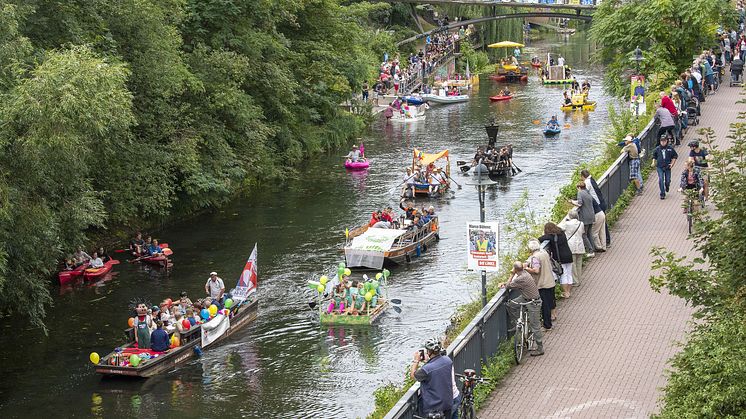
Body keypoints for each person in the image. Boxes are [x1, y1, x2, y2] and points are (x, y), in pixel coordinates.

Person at [500, 262, 544, 356]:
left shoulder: (521, 277)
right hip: (525, 297)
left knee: (535, 326)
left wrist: (511, 275)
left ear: (515, 270)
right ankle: (519, 321)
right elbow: (514, 283)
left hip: (534, 302)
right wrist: (505, 283)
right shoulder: (524, 273)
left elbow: (509, 286)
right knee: (510, 304)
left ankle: (540, 348)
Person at [410, 338, 454, 417]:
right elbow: (436, 366)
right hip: (447, 403)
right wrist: (429, 361)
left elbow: (413, 375)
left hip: (433, 407)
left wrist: (416, 361)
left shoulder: (426, 369)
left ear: (429, 352)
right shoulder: (447, 360)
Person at [525, 239, 556, 330]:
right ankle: (550, 319)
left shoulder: (535, 257)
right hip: (550, 281)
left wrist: (526, 268)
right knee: (550, 303)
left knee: (545, 305)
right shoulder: (544, 253)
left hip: (542, 284)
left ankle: (547, 325)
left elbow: (536, 270)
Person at [538, 222, 574, 298]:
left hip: (560, 258)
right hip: (569, 255)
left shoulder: (551, 236)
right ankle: (569, 291)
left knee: (563, 275)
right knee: (569, 274)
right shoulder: (562, 233)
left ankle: (566, 292)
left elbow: (540, 239)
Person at [580, 169, 609, 250]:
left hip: (597, 209)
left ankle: (597, 247)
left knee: (594, 232)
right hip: (601, 205)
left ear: (583, 176)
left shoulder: (587, 183)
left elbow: (583, 195)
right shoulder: (591, 180)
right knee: (602, 228)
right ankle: (605, 244)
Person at [558, 209, 585, 287]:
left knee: (573, 265)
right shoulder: (581, 223)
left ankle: (575, 281)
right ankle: (579, 279)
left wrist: (565, 220)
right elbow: (583, 232)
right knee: (579, 264)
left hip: (571, 245)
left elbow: (559, 227)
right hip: (580, 245)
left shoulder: (567, 224)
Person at [570, 182, 596, 256]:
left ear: (579, 188)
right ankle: (592, 248)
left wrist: (572, 202)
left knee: (584, 234)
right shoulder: (588, 193)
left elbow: (580, 203)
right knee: (589, 233)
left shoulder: (580, 193)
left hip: (585, 217)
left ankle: (590, 251)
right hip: (591, 215)